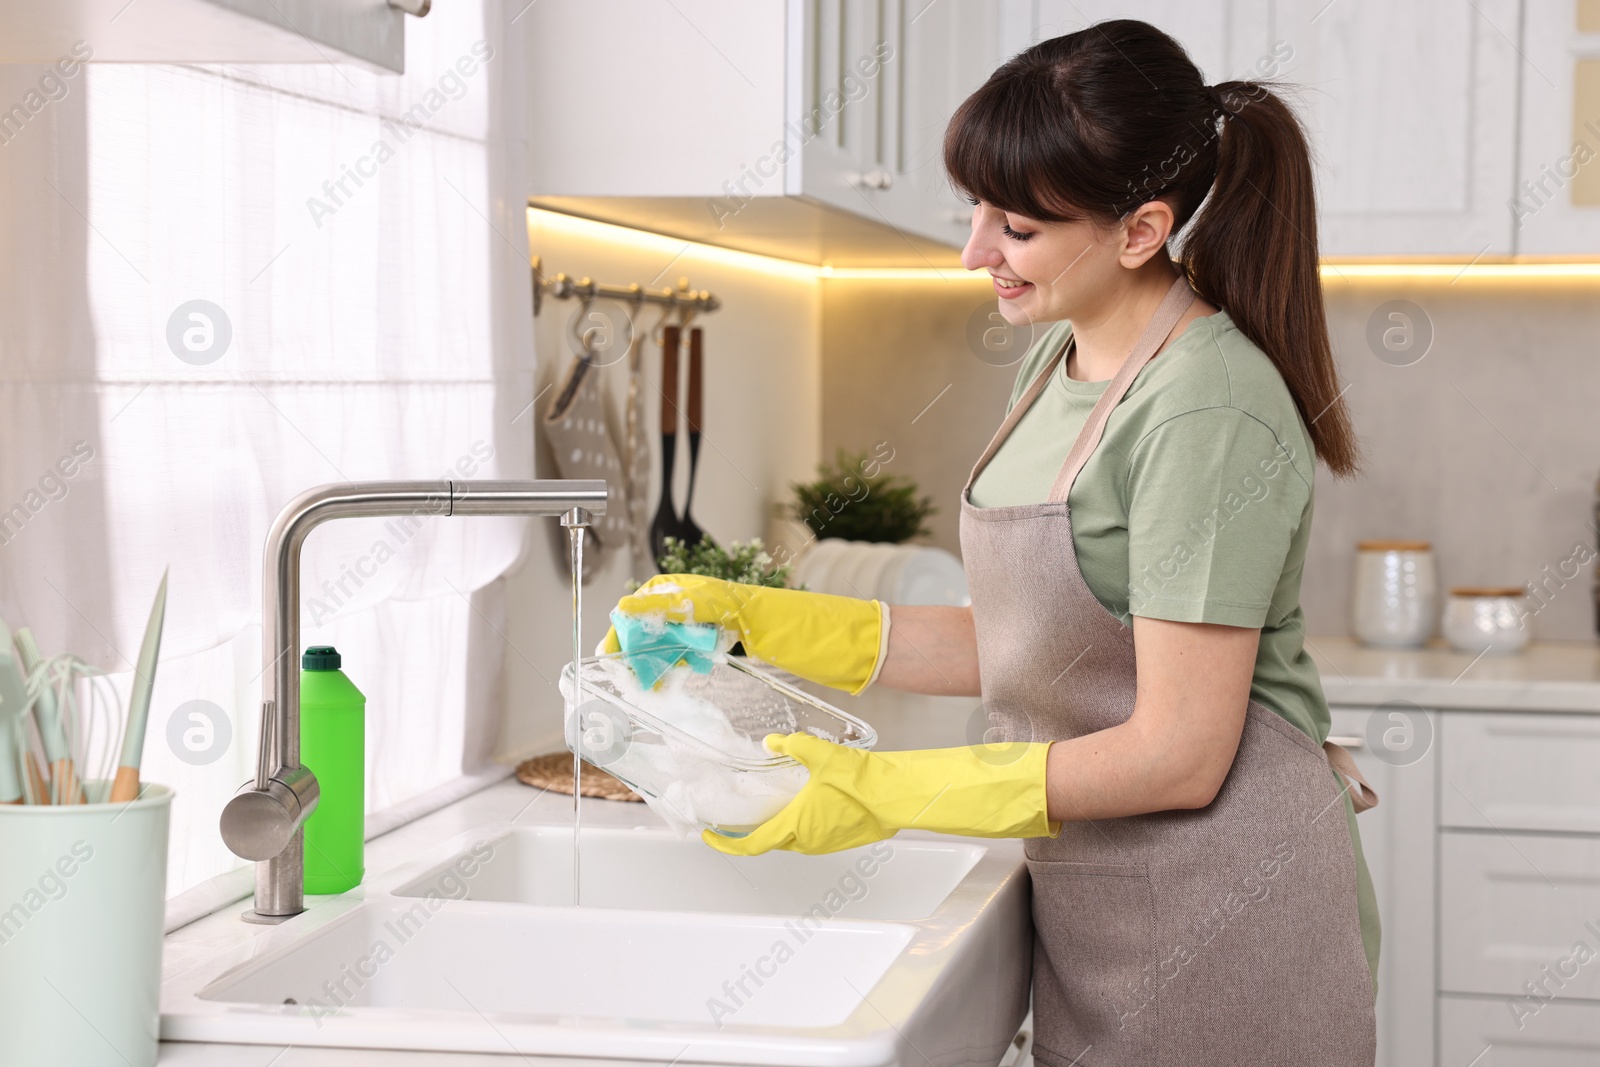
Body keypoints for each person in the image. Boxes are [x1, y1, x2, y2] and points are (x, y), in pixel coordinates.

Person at [606, 20, 1378, 1065]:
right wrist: (749, 618)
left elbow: (1180, 753)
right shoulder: (1055, 361)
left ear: (1142, 230)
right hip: (1101, 891)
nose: (975, 251)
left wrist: (883, 790)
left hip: (1222, 906)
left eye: (1014, 225)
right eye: (976, 209)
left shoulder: (1206, 404)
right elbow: (1030, 639)